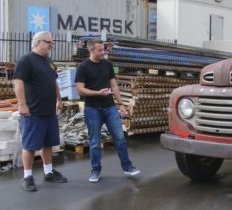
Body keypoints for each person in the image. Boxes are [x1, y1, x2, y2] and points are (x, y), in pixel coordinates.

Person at [74, 39, 140, 183]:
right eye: (99, 50)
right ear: (91, 50)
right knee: (95, 142)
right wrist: (98, 93)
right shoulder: (83, 67)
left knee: (120, 138)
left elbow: (114, 85)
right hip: (92, 109)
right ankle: (95, 171)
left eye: (103, 49)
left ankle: (127, 167)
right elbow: (80, 89)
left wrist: (121, 104)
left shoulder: (107, 64)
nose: (103, 52)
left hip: (110, 107)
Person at [13, 31, 68, 192]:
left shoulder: (49, 62)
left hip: (49, 111)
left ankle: (48, 172)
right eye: (48, 42)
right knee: (30, 145)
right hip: (33, 111)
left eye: (52, 42)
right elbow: (18, 83)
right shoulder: (26, 60)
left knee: (48, 143)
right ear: (37, 42)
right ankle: (27, 176)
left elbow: (54, 82)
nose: (52, 45)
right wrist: (22, 104)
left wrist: (59, 99)